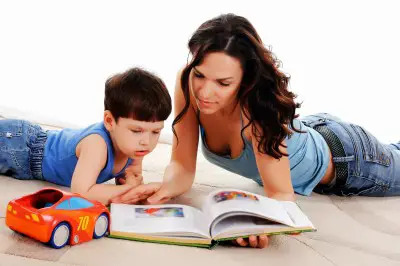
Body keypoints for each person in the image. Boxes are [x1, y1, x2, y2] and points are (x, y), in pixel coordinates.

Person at [112, 14, 400, 248]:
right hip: (307, 132)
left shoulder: (258, 111)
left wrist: (259, 222)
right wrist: (164, 188)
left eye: (223, 83)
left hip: (349, 158)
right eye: (200, 74)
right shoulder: (187, 82)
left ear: (246, 80)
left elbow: (281, 193)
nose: (205, 91)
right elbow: (182, 164)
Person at [0, 67, 172, 205]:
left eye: (156, 131)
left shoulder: (135, 148)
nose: (146, 142)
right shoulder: (96, 144)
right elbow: (80, 192)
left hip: (27, 159)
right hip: (20, 145)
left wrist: (134, 188)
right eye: (136, 131)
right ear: (109, 121)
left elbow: (130, 179)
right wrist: (129, 191)